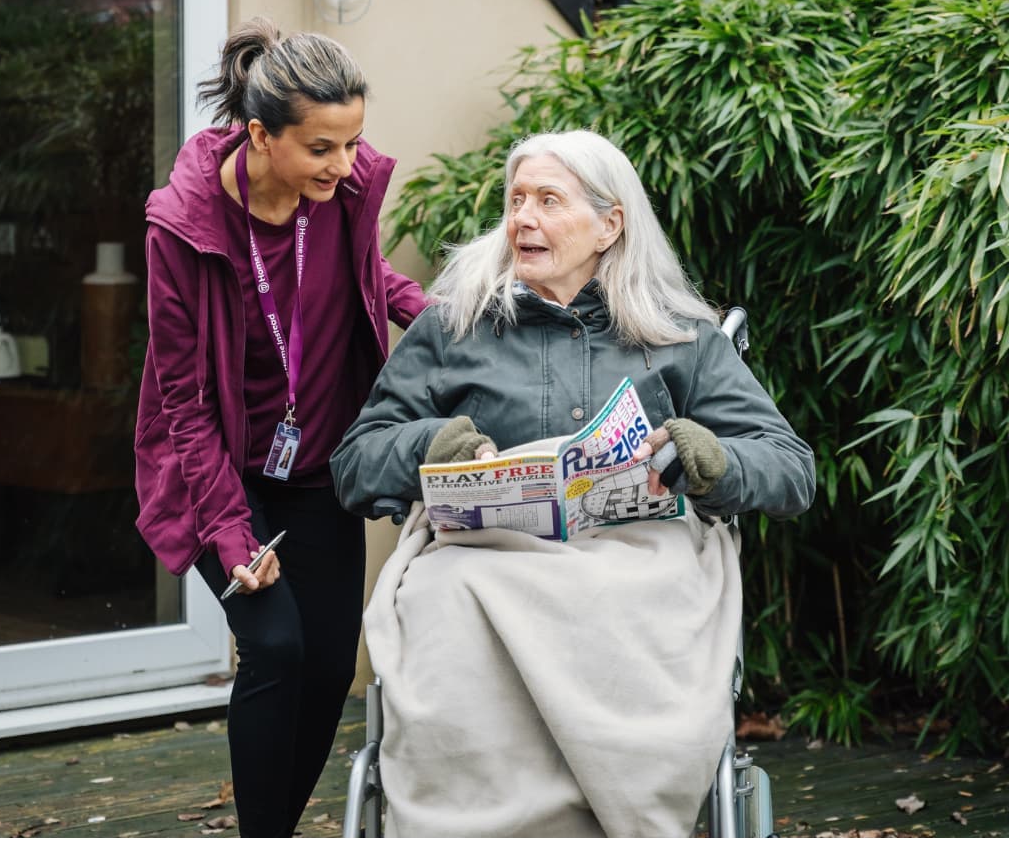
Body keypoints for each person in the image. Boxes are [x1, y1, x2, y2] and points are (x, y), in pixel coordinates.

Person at [330, 129, 815, 837]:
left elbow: (790, 466)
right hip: (483, 564)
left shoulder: (680, 334)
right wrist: (432, 446)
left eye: (548, 201)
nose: (523, 218)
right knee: (445, 604)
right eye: (516, 200)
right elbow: (355, 463)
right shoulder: (454, 327)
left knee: (634, 604)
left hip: (639, 563)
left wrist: (710, 460)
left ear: (609, 224)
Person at [133, 17, 427, 837]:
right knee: (278, 647)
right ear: (260, 135)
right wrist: (230, 535)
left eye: (353, 142)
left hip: (318, 464)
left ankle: (275, 838)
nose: (346, 165)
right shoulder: (182, 227)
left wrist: (446, 317)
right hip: (218, 472)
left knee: (333, 664)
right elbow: (182, 401)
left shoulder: (341, 192)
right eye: (323, 148)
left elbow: (370, 280)